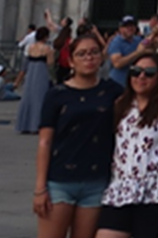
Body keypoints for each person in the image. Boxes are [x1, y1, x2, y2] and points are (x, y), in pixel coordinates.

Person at [36, 32, 123, 238]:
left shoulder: (114, 92)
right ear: (71, 60)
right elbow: (45, 141)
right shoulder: (56, 95)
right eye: (82, 54)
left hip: (96, 180)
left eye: (93, 53)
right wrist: (40, 187)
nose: (89, 58)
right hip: (60, 180)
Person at [96, 54, 158, 238]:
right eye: (136, 72)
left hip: (155, 192)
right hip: (121, 189)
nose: (141, 77)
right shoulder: (122, 103)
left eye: (149, 73)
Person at [18, 19, 60, 134]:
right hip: (41, 73)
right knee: (40, 99)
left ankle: (24, 124)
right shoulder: (47, 49)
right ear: (46, 37)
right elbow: (50, 64)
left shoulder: (31, 47)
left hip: (31, 72)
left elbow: (25, 62)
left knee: (28, 97)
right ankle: (36, 124)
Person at [105, 18, 146, 89]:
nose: (130, 28)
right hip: (118, 84)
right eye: (126, 26)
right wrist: (137, 53)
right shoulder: (116, 42)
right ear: (120, 29)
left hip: (133, 85)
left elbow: (148, 45)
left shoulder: (138, 40)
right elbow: (117, 63)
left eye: (132, 26)